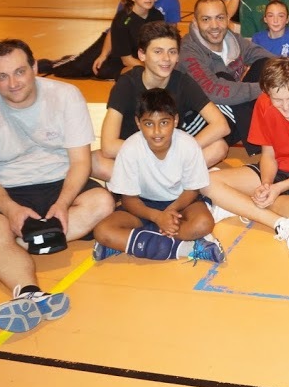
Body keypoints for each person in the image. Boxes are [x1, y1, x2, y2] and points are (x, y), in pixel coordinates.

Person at [0, 39, 114, 332]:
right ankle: (29, 293)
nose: (13, 83)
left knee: (103, 202)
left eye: (19, 72)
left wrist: (63, 203)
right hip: (7, 189)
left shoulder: (65, 96)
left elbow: (80, 162)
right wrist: (11, 209)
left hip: (60, 180)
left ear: (34, 67)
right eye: (1, 76)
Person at [202, 57, 289, 250]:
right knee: (206, 181)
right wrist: (266, 184)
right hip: (277, 171)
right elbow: (268, 155)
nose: (286, 106)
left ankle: (242, 204)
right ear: (268, 93)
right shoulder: (264, 103)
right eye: (278, 100)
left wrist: (278, 188)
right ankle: (280, 223)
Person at [92, 89, 225, 264]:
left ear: (175, 120)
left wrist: (169, 212)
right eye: (148, 124)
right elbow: (129, 200)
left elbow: (192, 190)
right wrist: (156, 217)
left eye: (164, 122)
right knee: (102, 230)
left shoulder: (188, 145)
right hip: (142, 207)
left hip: (181, 205)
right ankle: (187, 248)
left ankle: (128, 242)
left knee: (203, 224)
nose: (156, 131)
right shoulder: (130, 148)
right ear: (138, 123)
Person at [92, 22, 230, 181]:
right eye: (158, 52)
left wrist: (177, 151)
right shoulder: (127, 83)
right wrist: (155, 152)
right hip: (136, 158)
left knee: (219, 147)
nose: (166, 59)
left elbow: (221, 125)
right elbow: (108, 146)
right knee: (93, 160)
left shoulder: (183, 82)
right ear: (142, 55)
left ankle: (154, 182)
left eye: (172, 52)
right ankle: (170, 181)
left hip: (171, 159)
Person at [176, 0, 273, 155]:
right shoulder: (188, 51)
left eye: (220, 18)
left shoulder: (231, 39)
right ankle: (257, 142)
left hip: (231, 114)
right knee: (225, 80)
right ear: (195, 21)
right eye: (206, 19)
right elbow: (215, 91)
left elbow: (264, 56)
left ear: (228, 19)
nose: (214, 26)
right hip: (199, 122)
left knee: (266, 65)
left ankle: (265, 125)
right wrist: (266, 88)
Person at [43, 0, 163, 80]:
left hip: (137, 60)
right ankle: (47, 65)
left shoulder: (157, 16)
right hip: (117, 58)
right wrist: (152, 67)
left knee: (140, 73)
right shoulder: (123, 19)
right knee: (74, 69)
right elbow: (126, 60)